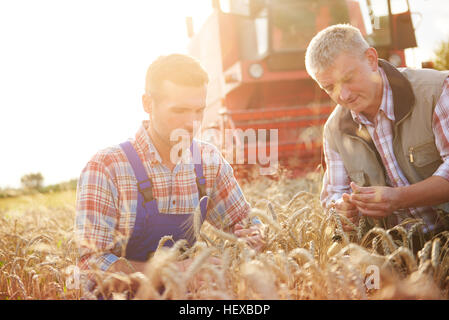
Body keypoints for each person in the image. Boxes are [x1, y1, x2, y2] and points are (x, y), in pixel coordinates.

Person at [75, 54, 265, 295]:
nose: (192, 122)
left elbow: (246, 221)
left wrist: (255, 233)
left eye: (199, 110)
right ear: (147, 104)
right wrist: (170, 273)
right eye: (180, 110)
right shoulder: (106, 167)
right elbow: (91, 265)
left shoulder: (208, 161)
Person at [304, 24, 449, 246]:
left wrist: (399, 198)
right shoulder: (334, 129)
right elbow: (333, 195)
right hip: (395, 254)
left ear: (371, 59)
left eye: (349, 78)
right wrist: (342, 210)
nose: (343, 95)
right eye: (329, 87)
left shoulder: (436, 91)